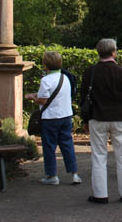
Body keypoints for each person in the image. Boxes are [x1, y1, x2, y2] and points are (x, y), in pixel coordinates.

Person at [80, 38, 122, 204]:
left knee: (99, 156)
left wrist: (85, 120)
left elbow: (83, 98)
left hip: (97, 118)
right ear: (114, 52)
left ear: (98, 52)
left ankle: (101, 195)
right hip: (120, 118)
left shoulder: (90, 72)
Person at [25, 50, 81, 186]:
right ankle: (74, 174)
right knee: (67, 145)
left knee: (49, 146)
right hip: (66, 115)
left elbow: (43, 100)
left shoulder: (45, 80)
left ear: (46, 65)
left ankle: (52, 175)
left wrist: (32, 97)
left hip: (50, 117)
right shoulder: (65, 78)